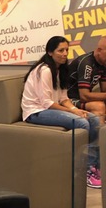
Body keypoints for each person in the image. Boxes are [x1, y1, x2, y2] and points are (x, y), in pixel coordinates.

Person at [22, 36, 101, 188]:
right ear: (50, 52)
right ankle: (82, 169)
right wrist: (74, 113)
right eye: (60, 50)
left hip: (49, 108)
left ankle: (92, 164)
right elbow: (47, 103)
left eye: (66, 50)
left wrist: (76, 109)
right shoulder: (44, 70)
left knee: (94, 119)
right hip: (36, 111)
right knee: (82, 123)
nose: (65, 54)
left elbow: (64, 98)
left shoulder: (61, 70)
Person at [67, 36, 106, 121]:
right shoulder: (86, 63)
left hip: (82, 99)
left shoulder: (103, 63)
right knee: (99, 106)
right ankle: (98, 130)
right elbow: (84, 96)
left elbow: (104, 90)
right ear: (99, 50)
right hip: (68, 99)